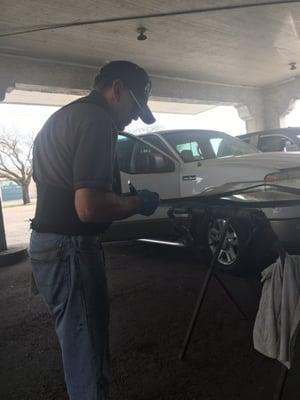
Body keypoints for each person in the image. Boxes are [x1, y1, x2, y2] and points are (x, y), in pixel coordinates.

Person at [29, 60, 160, 400]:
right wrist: (136, 204)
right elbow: (87, 207)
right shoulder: (98, 120)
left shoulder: (61, 118)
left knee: (76, 345)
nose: (133, 117)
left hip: (47, 245)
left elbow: (57, 186)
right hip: (70, 248)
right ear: (116, 90)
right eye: (135, 106)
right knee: (88, 353)